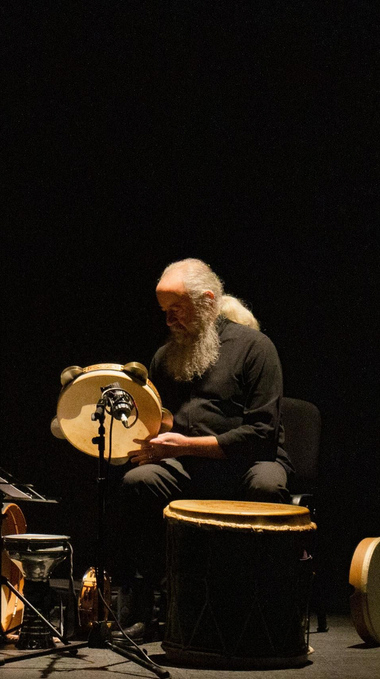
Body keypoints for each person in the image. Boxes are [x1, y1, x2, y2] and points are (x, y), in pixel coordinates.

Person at [116, 258, 293, 639]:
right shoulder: (165, 357)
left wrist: (184, 446)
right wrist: (146, 435)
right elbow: (161, 420)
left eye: (177, 309)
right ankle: (153, 604)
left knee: (267, 486)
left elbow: (261, 434)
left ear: (208, 301)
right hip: (187, 467)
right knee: (138, 481)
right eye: (164, 311)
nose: (169, 320)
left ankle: (264, 609)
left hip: (248, 462)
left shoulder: (256, 348)